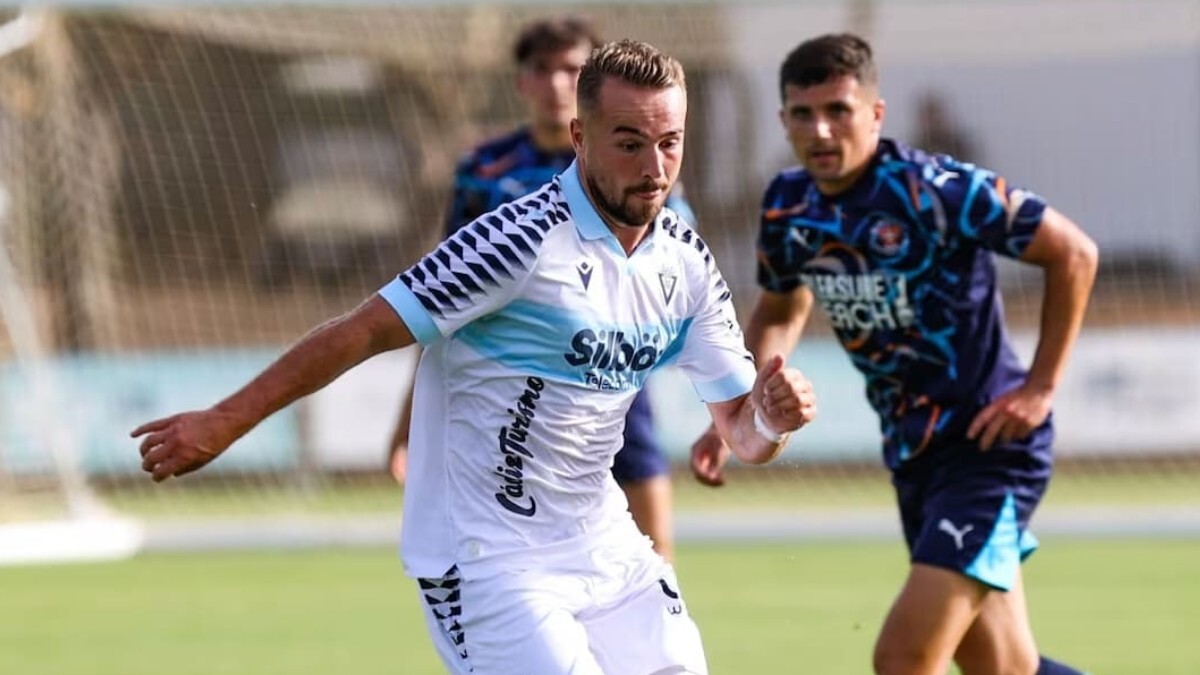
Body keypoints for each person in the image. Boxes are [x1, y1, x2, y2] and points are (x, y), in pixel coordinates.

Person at [134, 39, 817, 675]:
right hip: (488, 557)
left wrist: (772, 418)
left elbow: (740, 432)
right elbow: (361, 330)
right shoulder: (515, 242)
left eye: (670, 143)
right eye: (630, 143)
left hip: (607, 543)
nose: (654, 168)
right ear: (580, 137)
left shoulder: (685, 259)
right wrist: (224, 420)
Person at [690, 34, 1097, 675]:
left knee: (904, 658)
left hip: (986, 447)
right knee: (1001, 667)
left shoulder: (938, 190)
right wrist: (740, 409)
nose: (820, 130)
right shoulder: (789, 206)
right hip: (914, 453)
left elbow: (1073, 252)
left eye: (839, 110)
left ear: (875, 114)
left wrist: (1041, 388)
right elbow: (780, 306)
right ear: (783, 120)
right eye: (803, 114)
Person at [387, 16, 691, 561]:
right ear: (521, 82)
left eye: (572, 69)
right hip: (506, 387)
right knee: (508, 552)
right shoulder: (484, 170)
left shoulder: (635, 164)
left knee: (653, 549)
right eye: (542, 70)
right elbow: (436, 300)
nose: (557, 84)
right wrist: (409, 418)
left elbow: (679, 270)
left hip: (607, 368)